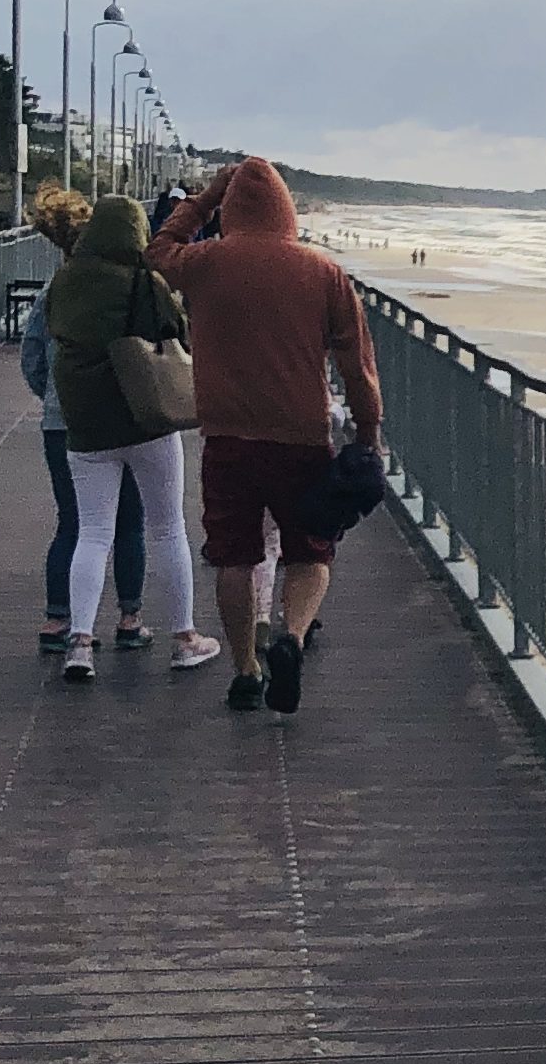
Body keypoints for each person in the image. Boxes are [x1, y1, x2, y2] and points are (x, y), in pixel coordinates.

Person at [146, 157, 383, 715]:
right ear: (287, 212)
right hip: (301, 435)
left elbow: (158, 250)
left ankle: (246, 670)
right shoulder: (323, 273)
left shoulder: (204, 263)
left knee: (234, 556)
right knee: (311, 550)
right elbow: (358, 364)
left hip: (227, 436)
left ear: (232, 211)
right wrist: (368, 431)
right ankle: (292, 637)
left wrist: (204, 198)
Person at [40, 195, 219, 685]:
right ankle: (184, 638)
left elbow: (53, 331)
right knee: (167, 528)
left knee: (92, 534)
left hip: (86, 427)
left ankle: (79, 643)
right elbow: (176, 331)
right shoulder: (145, 280)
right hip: (147, 421)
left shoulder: (66, 280)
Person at [18, 182, 150, 655]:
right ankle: (130, 617)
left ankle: (60, 622)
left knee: (73, 523)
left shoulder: (55, 291)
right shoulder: (130, 287)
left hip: (64, 422)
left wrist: (53, 397)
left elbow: (32, 355)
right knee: (129, 523)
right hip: (128, 418)